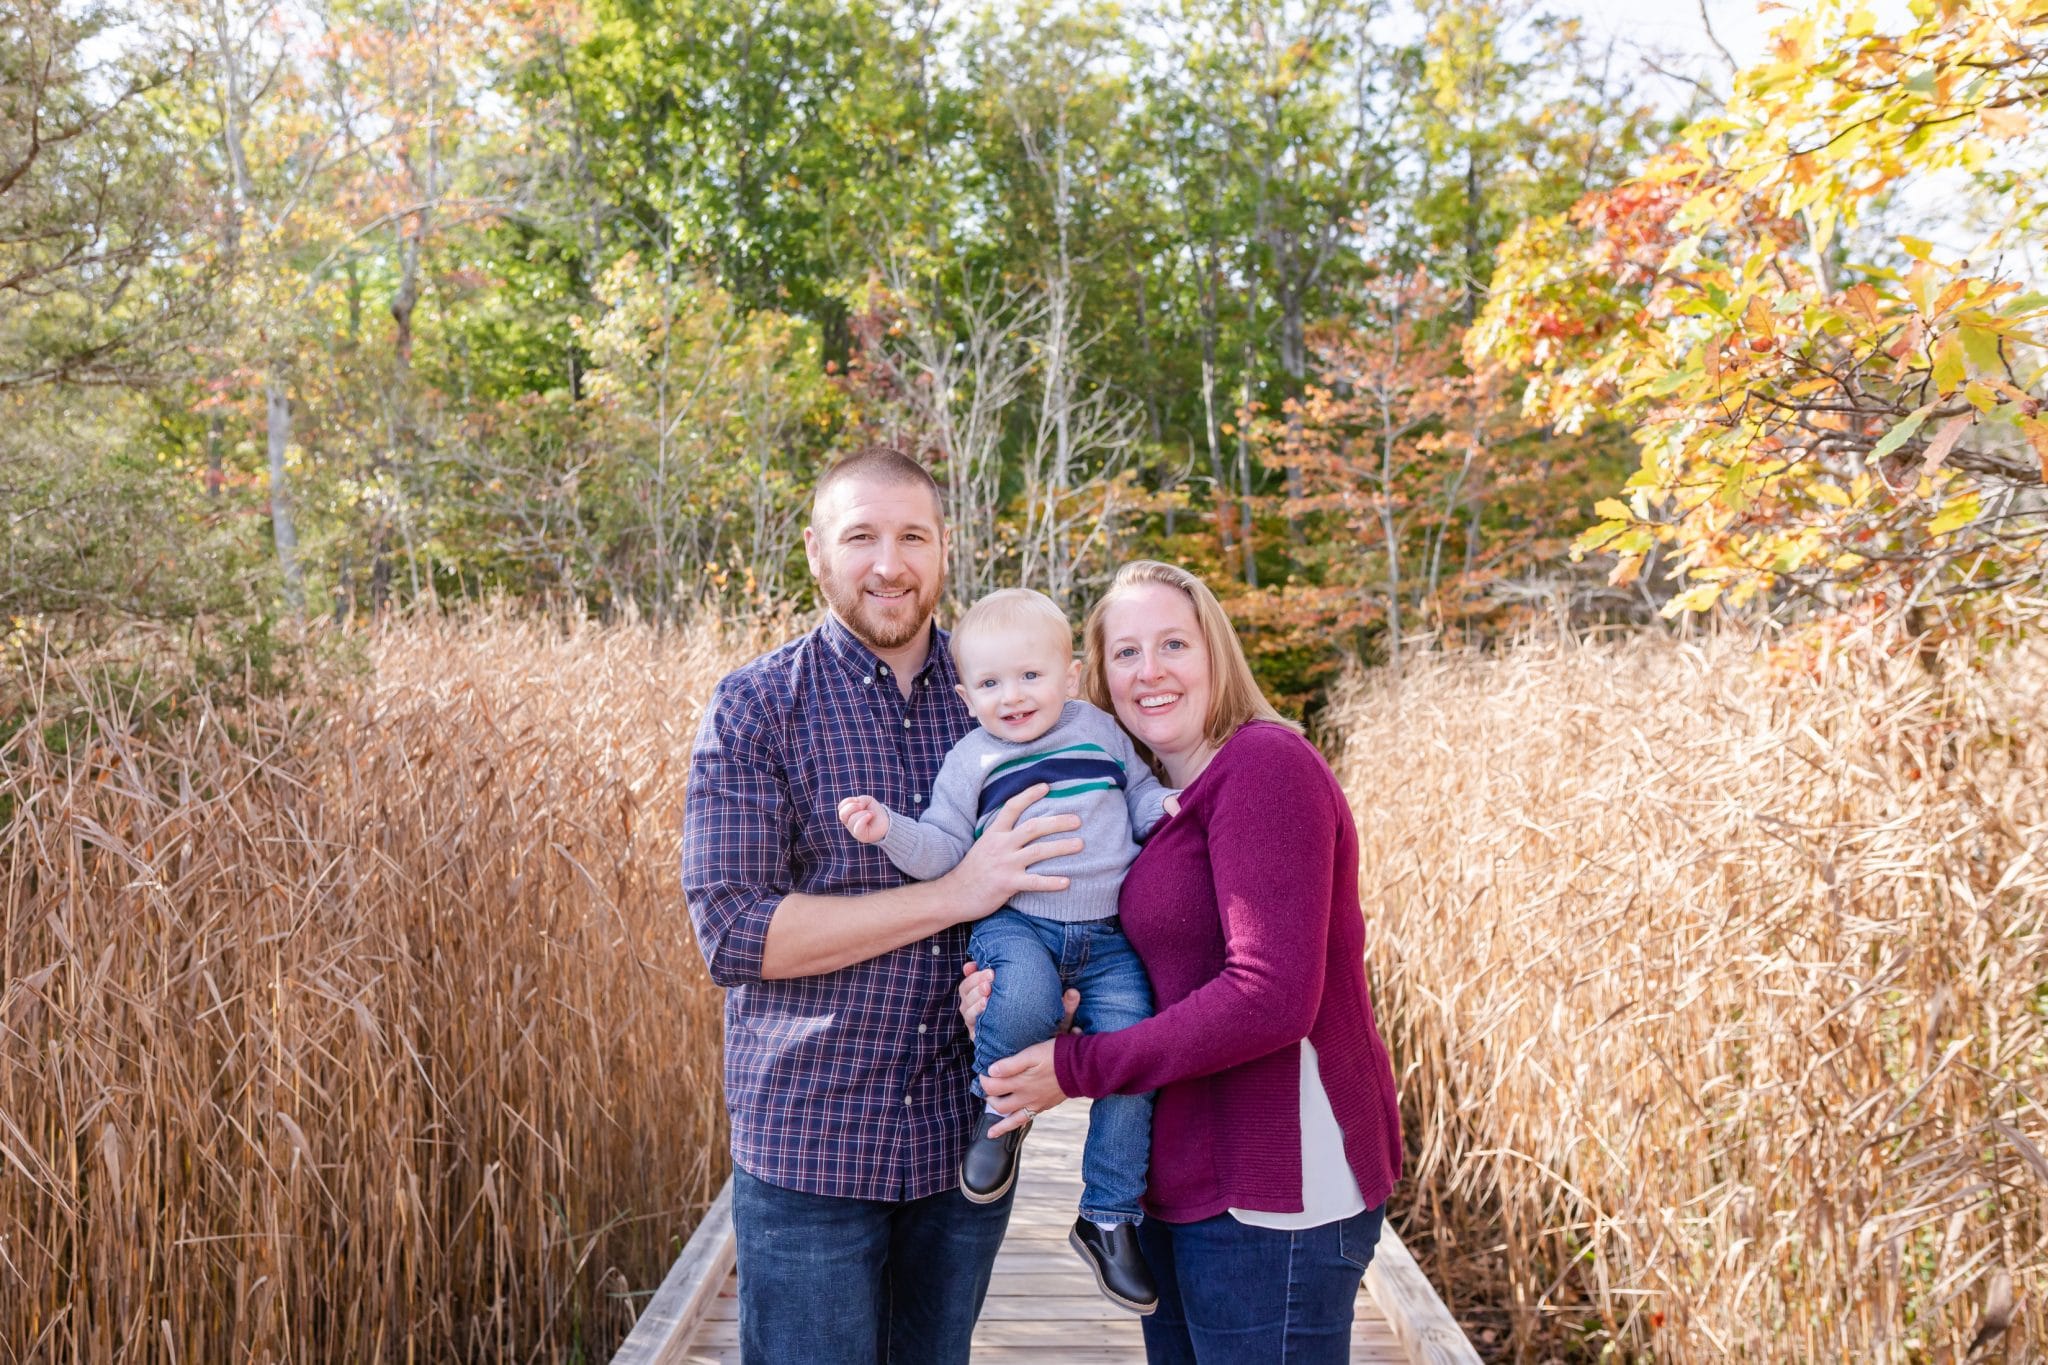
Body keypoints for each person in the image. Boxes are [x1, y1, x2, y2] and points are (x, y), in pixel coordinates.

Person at [680, 446, 1086, 1365]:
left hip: (965, 1138)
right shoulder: (756, 707)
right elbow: (737, 931)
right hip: (813, 1142)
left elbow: (1084, 876)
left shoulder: (1008, 698)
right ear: (818, 553)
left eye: (913, 536)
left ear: (946, 550)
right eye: (861, 536)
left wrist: (1060, 1004)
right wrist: (955, 893)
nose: (889, 563)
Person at [966, 559, 1405, 1364]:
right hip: (1179, 1182)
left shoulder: (1265, 766)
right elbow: (1151, 965)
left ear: (1217, 653)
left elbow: (1269, 996)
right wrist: (1021, 996)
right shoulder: (1153, 801)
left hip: (1276, 1183)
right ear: (1095, 677)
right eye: (1126, 653)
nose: (1151, 671)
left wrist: (1080, 1064)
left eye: (1173, 642)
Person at [838, 586, 1176, 1314]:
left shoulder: (1100, 731)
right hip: (1018, 924)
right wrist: (886, 826)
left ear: (1070, 676)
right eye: (990, 684)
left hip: (1107, 940)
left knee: (1135, 1050)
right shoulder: (973, 759)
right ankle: (995, 1114)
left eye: (1030, 676)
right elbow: (939, 850)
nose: (1013, 696)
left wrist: (1167, 811)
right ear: (965, 695)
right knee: (1022, 997)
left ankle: (1108, 1214)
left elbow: (1144, 792)